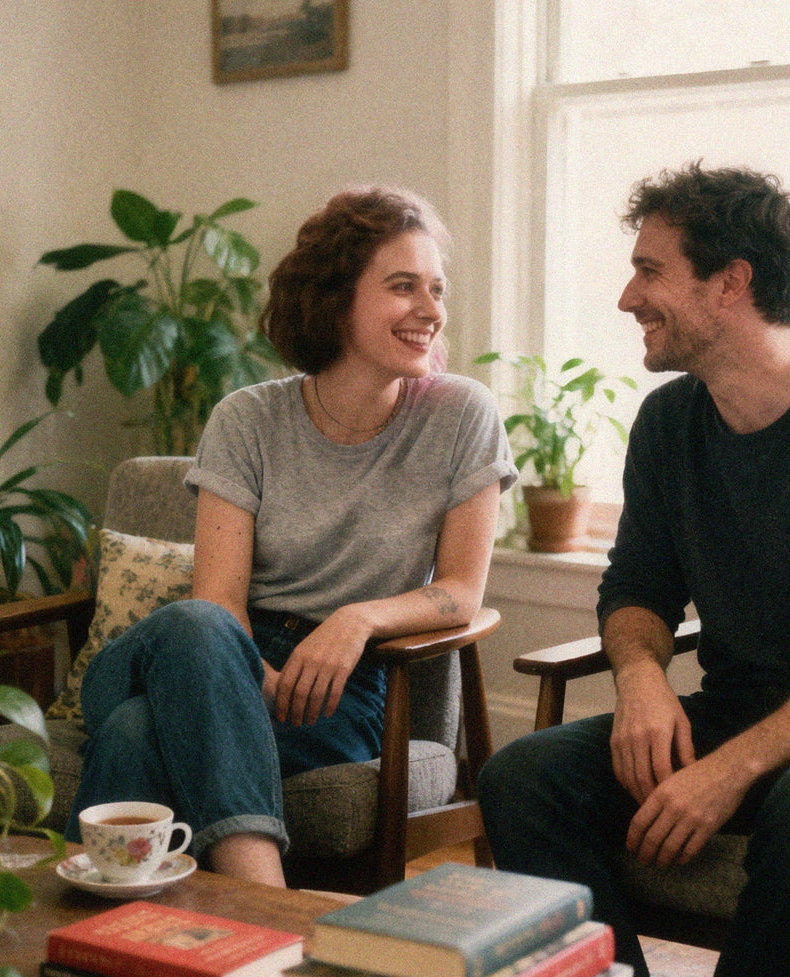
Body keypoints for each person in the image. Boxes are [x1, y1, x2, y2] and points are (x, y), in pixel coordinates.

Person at [477, 162, 790, 977]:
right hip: (742, 706)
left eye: (650, 270)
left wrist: (729, 769)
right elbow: (638, 587)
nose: (626, 298)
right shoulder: (668, 423)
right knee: (522, 775)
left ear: (731, 283)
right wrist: (640, 679)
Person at [66, 185, 518, 887]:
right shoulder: (246, 419)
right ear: (336, 299)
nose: (431, 311)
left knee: (132, 732)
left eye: (437, 288)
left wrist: (356, 618)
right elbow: (221, 605)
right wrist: (255, 683)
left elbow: (462, 591)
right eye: (404, 287)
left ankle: (103, 946)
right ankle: (262, 897)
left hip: (344, 690)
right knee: (195, 623)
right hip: (214, 652)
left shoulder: (462, 415)